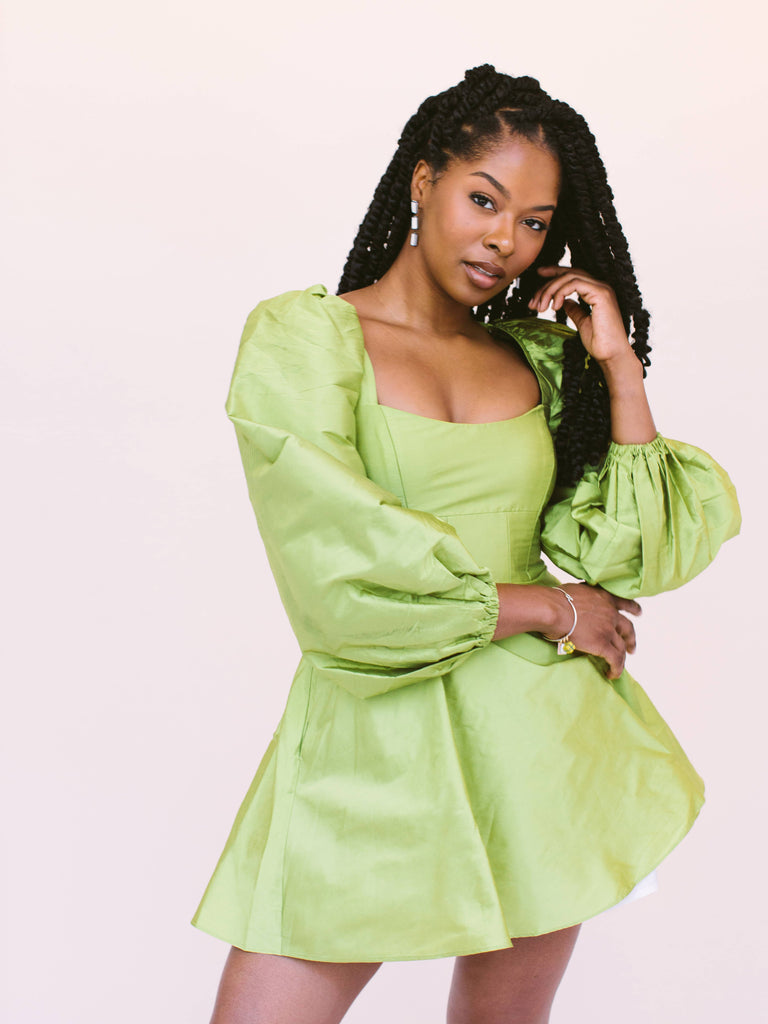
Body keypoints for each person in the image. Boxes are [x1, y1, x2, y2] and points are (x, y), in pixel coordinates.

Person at [192, 65, 741, 1024]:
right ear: (422, 180)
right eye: (483, 200)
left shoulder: (534, 361)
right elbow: (337, 568)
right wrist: (550, 607)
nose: (505, 239)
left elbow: (638, 554)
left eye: (534, 220)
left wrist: (618, 366)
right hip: (372, 737)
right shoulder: (308, 342)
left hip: (538, 739)